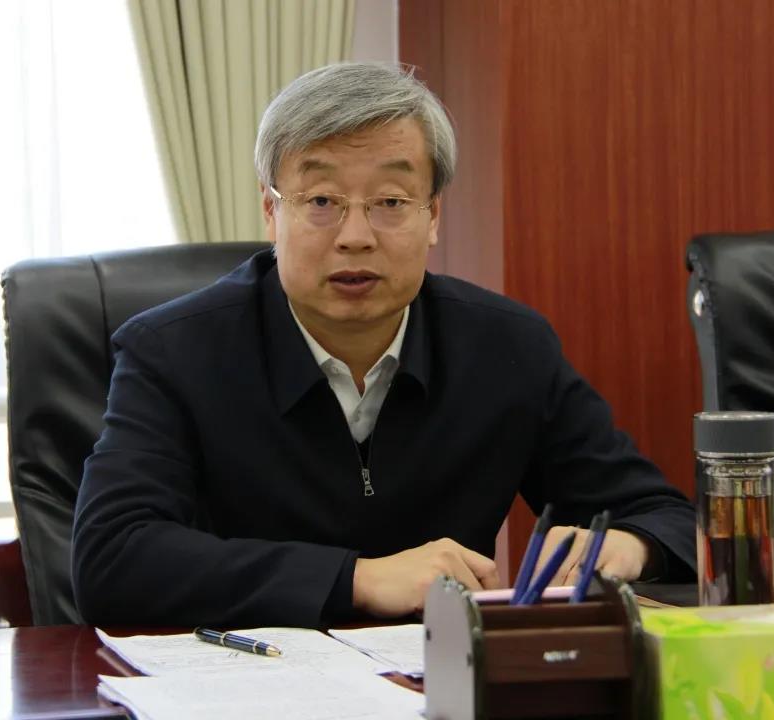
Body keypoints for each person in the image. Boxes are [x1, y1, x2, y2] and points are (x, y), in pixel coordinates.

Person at [71, 62, 695, 628]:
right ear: (271, 212)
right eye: (321, 201)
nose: (356, 236)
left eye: (391, 202)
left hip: (436, 684)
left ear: (433, 216)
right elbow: (112, 559)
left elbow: (668, 518)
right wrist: (358, 580)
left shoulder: (507, 348)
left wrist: (627, 546)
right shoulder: (172, 352)